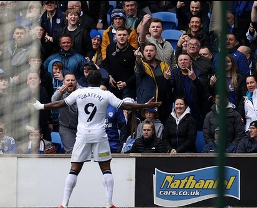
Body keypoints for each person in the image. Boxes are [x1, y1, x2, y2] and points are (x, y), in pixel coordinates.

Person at [32, 70, 161, 208]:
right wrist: (144, 105)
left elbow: (59, 104)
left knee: (74, 169)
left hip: (82, 135)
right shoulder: (105, 94)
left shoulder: (79, 93)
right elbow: (126, 105)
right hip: (99, 134)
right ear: (101, 82)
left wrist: (41, 106)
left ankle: (64, 204)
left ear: (87, 80)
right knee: (106, 169)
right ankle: (109, 203)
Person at [134, 43, 173, 125]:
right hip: (146, 104)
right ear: (143, 53)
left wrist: (167, 79)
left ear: (156, 52)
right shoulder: (141, 65)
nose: (148, 52)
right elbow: (139, 70)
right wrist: (138, 59)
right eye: (146, 51)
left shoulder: (163, 65)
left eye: (151, 50)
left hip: (162, 104)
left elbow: (169, 85)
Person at [170, 52, 208, 130]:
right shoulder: (174, 72)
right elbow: (168, 88)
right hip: (181, 110)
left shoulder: (199, 72)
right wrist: (166, 80)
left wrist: (195, 79)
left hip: (197, 110)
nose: (183, 62)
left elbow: (204, 91)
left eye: (185, 60)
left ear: (191, 62)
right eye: (180, 60)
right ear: (178, 63)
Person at [101, 26, 137, 99]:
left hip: (128, 86)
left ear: (128, 36)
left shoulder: (133, 52)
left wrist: (126, 83)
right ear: (115, 37)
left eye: (124, 35)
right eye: (119, 35)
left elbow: (136, 72)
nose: (122, 37)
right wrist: (109, 76)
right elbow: (106, 64)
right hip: (112, 85)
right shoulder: (110, 48)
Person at [51, 72, 80, 154]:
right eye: (68, 80)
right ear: (64, 83)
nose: (70, 82)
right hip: (66, 127)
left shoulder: (82, 91)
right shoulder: (60, 91)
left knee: (83, 152)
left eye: (72, 80)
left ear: (76, 82)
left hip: (81, 127)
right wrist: (60, 93)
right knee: (70, 152)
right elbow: (53, 101)